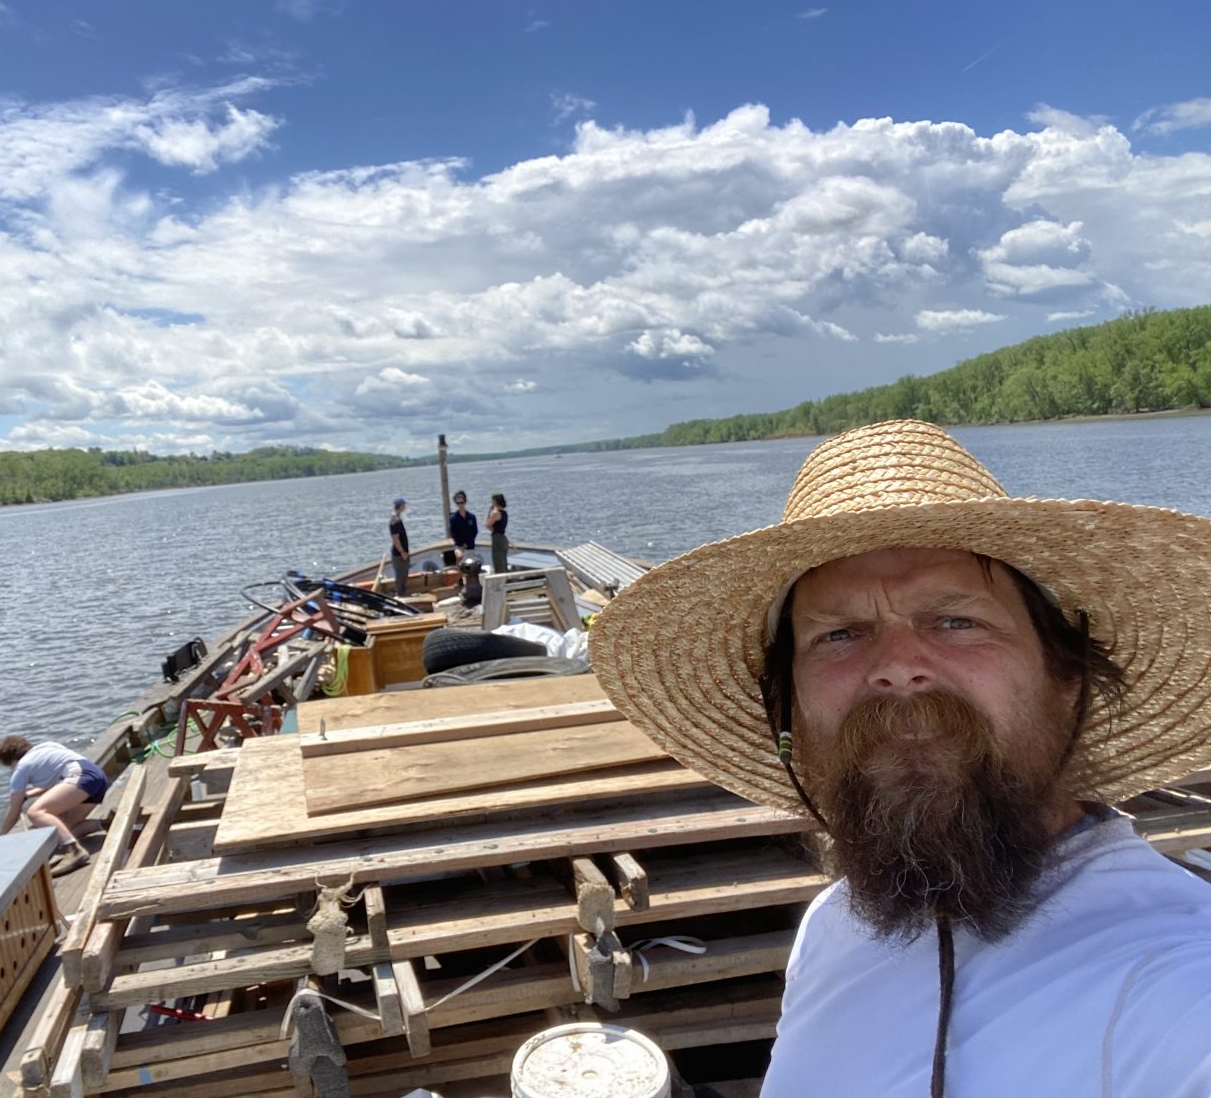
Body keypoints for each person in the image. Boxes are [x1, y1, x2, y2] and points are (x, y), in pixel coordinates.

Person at [591, 419, 1211, 1097]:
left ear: (1068, 680)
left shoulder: (1180, 981)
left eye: (956, 621)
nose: (896, 666)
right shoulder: (833, 927)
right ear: (789, 710)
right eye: (840, 634)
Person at [0, 734, 109, 875]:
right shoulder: (48, 747)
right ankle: (103, 824)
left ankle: (75, 851)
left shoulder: (21, 768)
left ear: (11, 762)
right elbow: (62, 784)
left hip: (82, 777)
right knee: (63, 830)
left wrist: (1, 837)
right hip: (97, 778)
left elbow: (15, 810)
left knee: (35, 812)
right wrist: (29, 794)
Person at [389, 495, 410, 598]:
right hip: (399, 554)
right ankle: (400, 595)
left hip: (403, 552)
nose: (405, 506)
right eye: (404, 505)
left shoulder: (398, 519)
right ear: (400, 506)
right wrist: (402, 552)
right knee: (400, 576)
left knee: (404, 575)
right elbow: (395, 538)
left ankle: (403, 593)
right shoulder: (394, 520)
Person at [448, 491, 478, 562]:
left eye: (462, 502)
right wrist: (461, 544)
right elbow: (453, 533)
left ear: (465, 502)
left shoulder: (472, 517)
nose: (460, 505)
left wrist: (468, 543)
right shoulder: (453, 518)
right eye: (458, 503)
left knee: (470, 563)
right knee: (459, 556)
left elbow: (474, 531)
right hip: (459, 546)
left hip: (470, 545)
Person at [486, 492, 509, 574]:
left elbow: (487, 524)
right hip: (503, 538)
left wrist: (489, 511)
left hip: (497, 539)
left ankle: (501, 579)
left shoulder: (496, 513)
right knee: (503, 561)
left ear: (495, 501)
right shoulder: (504, 513)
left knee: (498, 562)